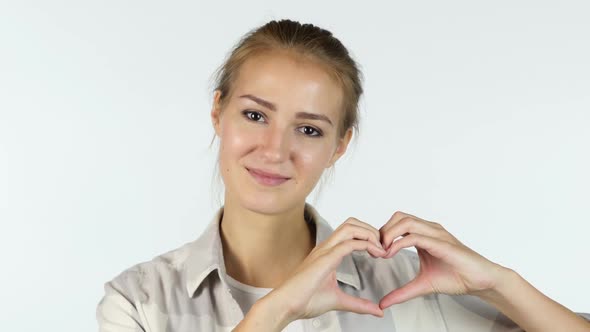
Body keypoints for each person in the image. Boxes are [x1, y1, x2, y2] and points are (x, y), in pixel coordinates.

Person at [96, 19, 590, 332]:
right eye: (254, 115)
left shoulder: (400, 285)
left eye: (308, 129)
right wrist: (278, 310)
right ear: (217, 113)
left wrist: (498, 283)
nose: (275, 149)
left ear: (339, 146)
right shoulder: (138, 301)